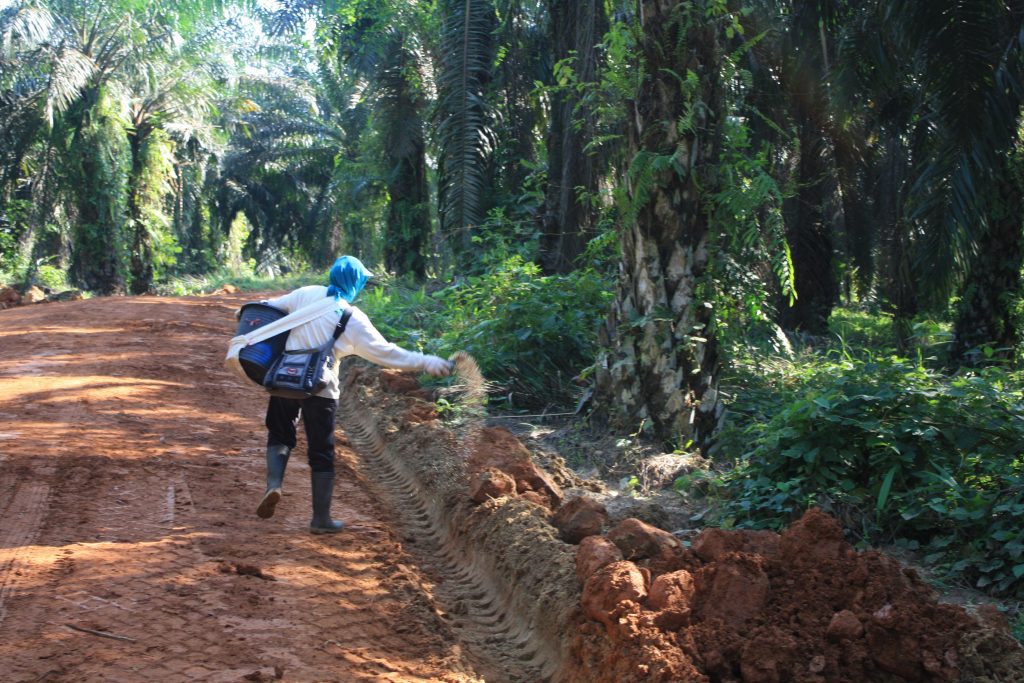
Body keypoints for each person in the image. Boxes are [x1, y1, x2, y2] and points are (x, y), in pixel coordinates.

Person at [256, 255, 451, 534]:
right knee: (321, 451)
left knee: (280, 433)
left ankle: (274, 484)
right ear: (356, 282)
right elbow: (387, 354)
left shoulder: (306, 293)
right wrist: (427, 361)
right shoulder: (351, 318)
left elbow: (268, 310)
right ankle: (320, 519)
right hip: (321, 389)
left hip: (284, 379)